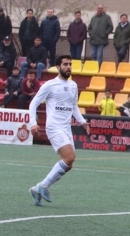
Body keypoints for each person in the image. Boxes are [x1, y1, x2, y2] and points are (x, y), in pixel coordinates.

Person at [27, 55, 91, 206]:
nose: (68, 67)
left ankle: (37, 188)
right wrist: (33, 123)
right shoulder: (50, 85)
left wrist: (82, 122)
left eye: (70, 64)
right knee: (69, 158)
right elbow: (33, 103)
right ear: (57, 67)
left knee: (69, 164)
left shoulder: (73, 85)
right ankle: (43, 186)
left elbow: (73, 106)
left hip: (66, 128)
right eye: (65, 64)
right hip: (54, 126)